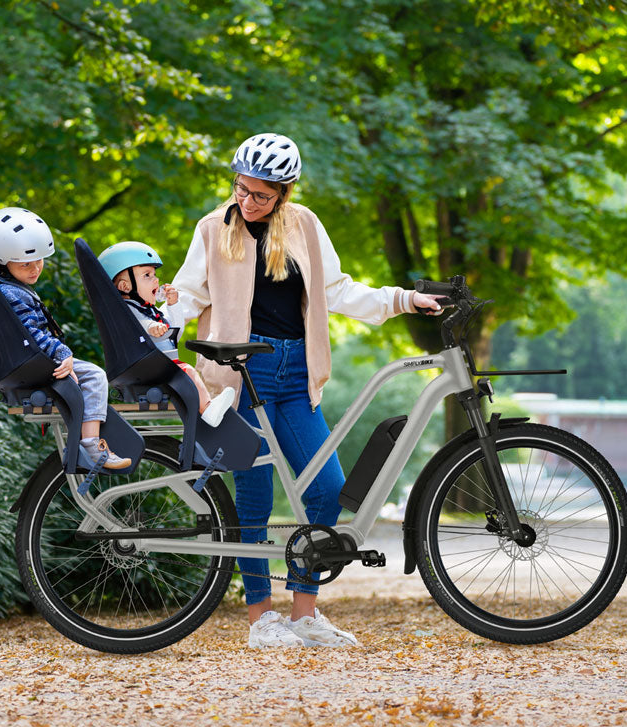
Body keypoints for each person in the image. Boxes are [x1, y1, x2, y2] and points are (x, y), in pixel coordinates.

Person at [171, 132, 443, 649]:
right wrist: (154, 320)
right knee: (252, 496)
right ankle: (260, 621)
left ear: (284, 191)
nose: (247, 203)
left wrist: (405, 299)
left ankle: (303, 615)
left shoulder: (305, 226)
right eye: (241, 189)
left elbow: (338, 290)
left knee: (324, 489)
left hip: (296, 371)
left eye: (260, 195)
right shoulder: (213, 228)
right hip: (239, 373)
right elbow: (187, 294)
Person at [0, 207, 131, 469]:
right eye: (25, 263)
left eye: (38, 260)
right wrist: (62, 353)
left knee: (91, 378)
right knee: (95, 376)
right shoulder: (12, 294)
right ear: (1, 260)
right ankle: (92, 445)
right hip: (35, 362)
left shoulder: (9, 288)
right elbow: (32, 334)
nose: (35, 268)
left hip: (33, 360)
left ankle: (89, 435)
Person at [97, 241, 235, 427]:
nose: (156, 280)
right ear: (124, 286)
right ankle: (208, 408)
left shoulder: (148, 310)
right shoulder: (127, 311)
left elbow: (173, 332)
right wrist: (150, 327)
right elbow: (131, 327)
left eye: (155, 275)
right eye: (147, 275)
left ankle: (206, 407)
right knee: (188, 372)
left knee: (188, 371)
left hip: (156, 362)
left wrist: (173, 305)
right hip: (146, 365)